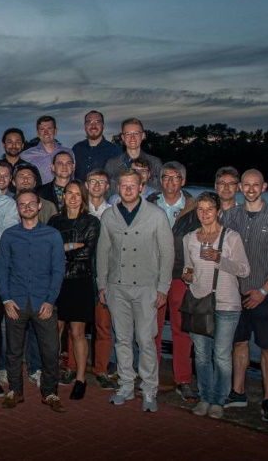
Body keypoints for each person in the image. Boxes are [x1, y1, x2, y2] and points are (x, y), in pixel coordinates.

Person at [96, 170, 174, 413]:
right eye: (123, 186)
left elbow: (167, 252)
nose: (128, 189)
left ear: (141, 187)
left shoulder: (156, 215)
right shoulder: (109, 215)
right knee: (122, 338)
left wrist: (163, 287)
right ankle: (126, 384)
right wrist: (102, 284)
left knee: (145, 339)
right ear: (117, 188)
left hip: (146, 287)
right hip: (117, 286)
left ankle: (149, 388)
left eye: (133, 185)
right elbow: (103, 251)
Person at [221, 170, 268, 422]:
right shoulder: (230, 216)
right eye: (246, 184)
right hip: (236, 294)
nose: (251, 189)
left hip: (267, 295)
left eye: (256, 184)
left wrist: (263, 290)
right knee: (239, 344)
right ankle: (238, 392)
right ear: (240, 187)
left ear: (264, 187)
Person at [0, 190, 67, 413]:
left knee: (50, 350)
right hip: (15, 302)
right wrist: (5, 298)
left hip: (43, 302)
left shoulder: (52, 235)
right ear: (18, 208)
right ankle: (15, 391)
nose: (26, 207)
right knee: (14, 350)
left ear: (39, 206)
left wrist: (50, 300)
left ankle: (49, 392)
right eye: (22, 204)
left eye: (31, 204)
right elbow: (2, 269)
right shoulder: (9, 235)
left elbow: (58, 270)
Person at [182, 192, 251, 420]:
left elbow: (244, 270)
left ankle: (218, 401)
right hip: (200, 302)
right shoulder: (190, 238)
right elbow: (189, 268)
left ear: (218, 211)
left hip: (226, 304)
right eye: (200, 209)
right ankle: (205, 397)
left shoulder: (231, 237)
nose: (205, 214)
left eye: (209, 209)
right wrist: (187, 276)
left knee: (221, 355)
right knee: (201, 355)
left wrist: (219, 259)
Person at [147, 162, 200, 402]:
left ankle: (184, 379)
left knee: (181, 328)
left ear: (183, 181)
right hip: (152, 275)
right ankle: (151, 377)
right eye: (166, 177)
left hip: (180, 275)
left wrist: (192, 270)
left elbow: (201, 242)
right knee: (151, 329)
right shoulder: (148, 203)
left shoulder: (194, 207)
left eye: (175, 177)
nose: (169, 182)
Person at [47, 180, 100, 400]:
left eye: (78, 194)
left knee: (78, 333)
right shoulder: (54, 220)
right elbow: (49, 250)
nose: (73, 197)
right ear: (63, 196)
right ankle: (51, 377)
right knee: (54, 332)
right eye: (69, 193)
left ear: (83, 198)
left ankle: (80, 379)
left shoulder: (92, 222)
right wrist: (69, 246)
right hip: (57, 281)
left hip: (80, 281)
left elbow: (86, 253)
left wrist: (62, 249)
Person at [83, 169, 116, 389]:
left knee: (103, 326)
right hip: (80, 274)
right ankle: (71, 367)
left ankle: (101, 369)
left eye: (101, 182)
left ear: (107, 187)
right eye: (93, 181)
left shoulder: (113, 213)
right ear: (86, 185)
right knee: (76, 323)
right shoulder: (78, 209)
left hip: (103, 275)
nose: (96, 185)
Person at [104, 117, 164, 192]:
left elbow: (162, 192)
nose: (132, 137)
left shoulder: (155, 163)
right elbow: (106, 192)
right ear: (122, 137)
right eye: (128, 134)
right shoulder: (112, 164)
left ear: (143, 136)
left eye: (136, 133)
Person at [20, 116, 75, 184]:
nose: (46, 132)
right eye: (42, 129)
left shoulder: (68, 152)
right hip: (39, 194)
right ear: (38, 133)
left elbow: (73, 177)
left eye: (49, 128)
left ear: (55, 131)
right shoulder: (26, 155)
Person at [72, 111, 121, 181]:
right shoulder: (76, 149)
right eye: (89, 122)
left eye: (97, 122)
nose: (93, 126)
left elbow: (119, 179)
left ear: (103, 126)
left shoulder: (114, 151)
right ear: (85, 126)